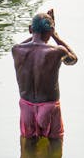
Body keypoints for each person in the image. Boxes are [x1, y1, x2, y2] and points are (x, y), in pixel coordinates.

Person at [12, 9, 77, 140]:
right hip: (49, 107)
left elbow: (29, 43)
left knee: (28, 148)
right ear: (50, 31)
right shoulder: (56, 52)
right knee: (55, 146)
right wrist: (55, 35)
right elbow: (73, 59)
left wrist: (37, 33)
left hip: (26, 107)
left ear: (30, 29)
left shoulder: (17, 50)